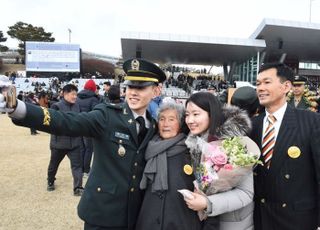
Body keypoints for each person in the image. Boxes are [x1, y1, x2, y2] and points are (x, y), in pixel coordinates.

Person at [0, 58, 166, 230]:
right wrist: (18, 108)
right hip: (102, 214)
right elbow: (66, 122)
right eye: (131, 86)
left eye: (141, 87)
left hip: (134, 216)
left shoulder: (154, 126)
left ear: (156, 91)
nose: (133, 92)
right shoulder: (107, 116)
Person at [250, 62, 320, 230]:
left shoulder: (311, 122)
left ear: (286, 86)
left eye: (267, 82)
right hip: (261, 218)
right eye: (258, 83)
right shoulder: (252, 125)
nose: (260, 88)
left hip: (298, 219)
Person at [183, 92, 254, 230]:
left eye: (196, 114)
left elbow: (246, 193)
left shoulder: (232, 143)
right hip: (200, 222)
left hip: (231, 223)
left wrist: (208, 203)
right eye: (187, 114)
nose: (190, 120)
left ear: (212, 114)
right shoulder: (190, 143)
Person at [135, 102, 201, 230]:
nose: (165, 124)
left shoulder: (191, 150)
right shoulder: (147, 148)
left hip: (181, 220)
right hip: (149, 220)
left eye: (172, 119)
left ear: (181, 124)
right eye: (162, 119)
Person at [47, 84, 84, 196]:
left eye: (76, 94)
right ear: (65, 94)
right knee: (54, 164)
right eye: (73, 94)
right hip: (59, 144)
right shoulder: (56, 106)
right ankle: (50, 180)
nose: (75, 97)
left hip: (75, 143)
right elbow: (51, 124)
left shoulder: (77, 106)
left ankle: (77, 187)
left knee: (77, 166)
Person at [77, 79, 100, 176]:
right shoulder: (94, 99)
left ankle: (81, 169)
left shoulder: (77, 97)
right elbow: (96, 114)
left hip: (78, 125)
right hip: (88, 126)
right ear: (93, 89)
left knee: (82, 148)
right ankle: (86, 170)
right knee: (89, 148)